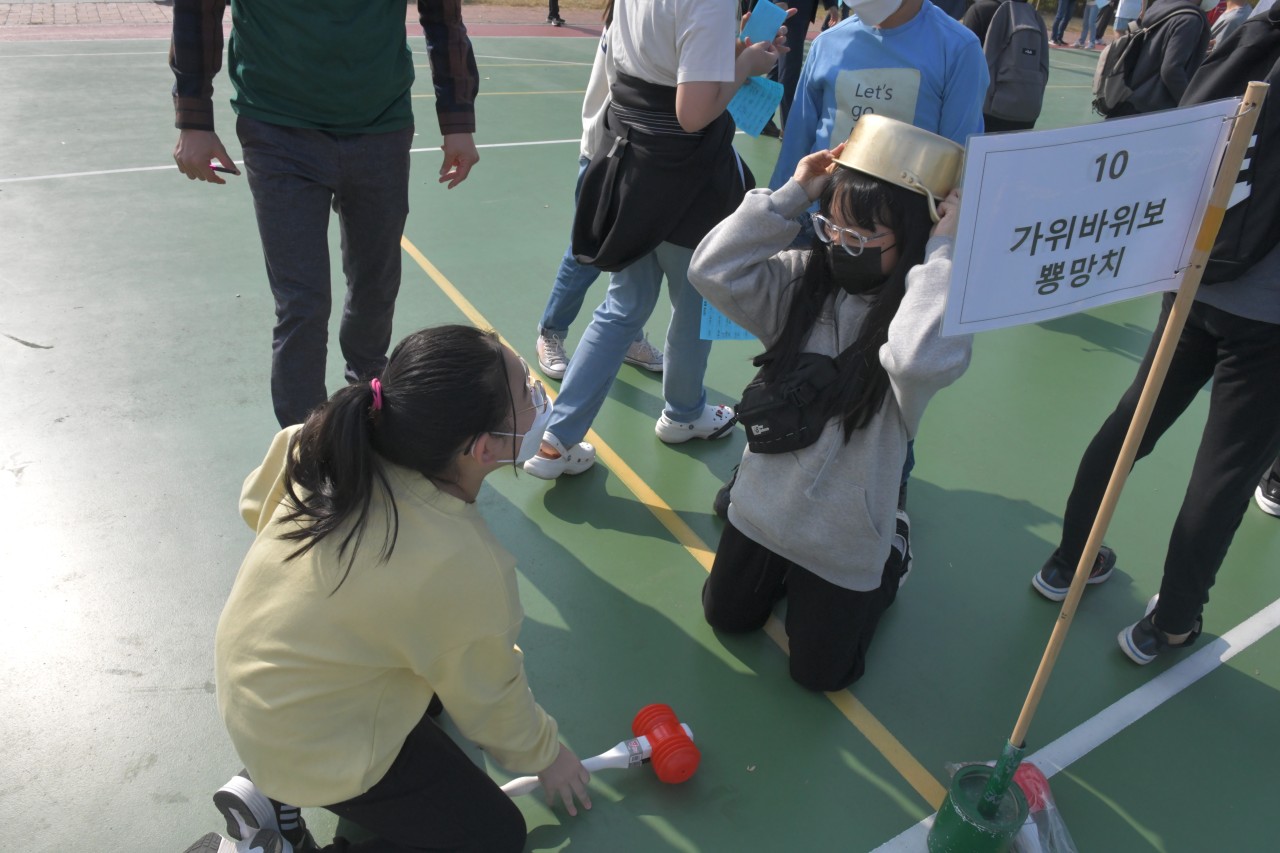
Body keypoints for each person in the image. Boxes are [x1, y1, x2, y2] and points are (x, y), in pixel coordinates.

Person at [183, 326, 591, 853]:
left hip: (261, 691)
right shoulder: (459, 564)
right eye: (524, 394)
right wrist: (548, 756)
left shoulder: (322, 441)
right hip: (308, 739)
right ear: (483, 449)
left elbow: (252, 506)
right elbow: (492, 699)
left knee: (432, 691)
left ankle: (268, 788)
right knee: (493, 837)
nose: (538, 398)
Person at [1031, 6, 1280, 663]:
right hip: (1269, 315)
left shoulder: (1253, 28)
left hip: (1197, 270)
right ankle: (1169, 623)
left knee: (1132, 419)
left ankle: (1068, 562)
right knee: (1224, 473)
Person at [689, 125, 973, 691]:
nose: (839, 242)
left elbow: (916, 362)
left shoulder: (918, 320)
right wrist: (795, 192)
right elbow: (711, 269)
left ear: (911, 235)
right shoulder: (801, 286)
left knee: (821, 674)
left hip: (845, 534)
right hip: (765, 507)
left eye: (863, 234)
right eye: (832, 224)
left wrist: (944, 252)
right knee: (725, 616)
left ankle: (893, 547)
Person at [170, 0, 481, 429]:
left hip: (381, 125)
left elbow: (442, 17)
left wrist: (458, 120)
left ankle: (366, 403)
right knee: (302, 302)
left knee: (376, 282)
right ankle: (306, 441)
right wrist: (193, 117)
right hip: (276, 126)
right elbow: (197, 10)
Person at [523, 0, 787, 479]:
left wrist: (731, 50)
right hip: (685, 177)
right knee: (692, 306)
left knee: (622, 306)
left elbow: (660, 63)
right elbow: (691, 114)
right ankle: (684, 414)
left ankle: (555, 441)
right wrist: (747, 62)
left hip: (629, 165)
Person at [534, 5, 664, 381]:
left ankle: (628, 335)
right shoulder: (637, 13)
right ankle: (550, 332)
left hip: (638, 152)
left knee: (636, 251)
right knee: (588, 251)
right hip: (608, 150)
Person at [1108, 0, 1210, 116]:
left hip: (1132, 96)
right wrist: (1189, 102)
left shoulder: (1162, 7)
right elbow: (1171, 69)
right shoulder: (1190, 19)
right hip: (1154, 107)